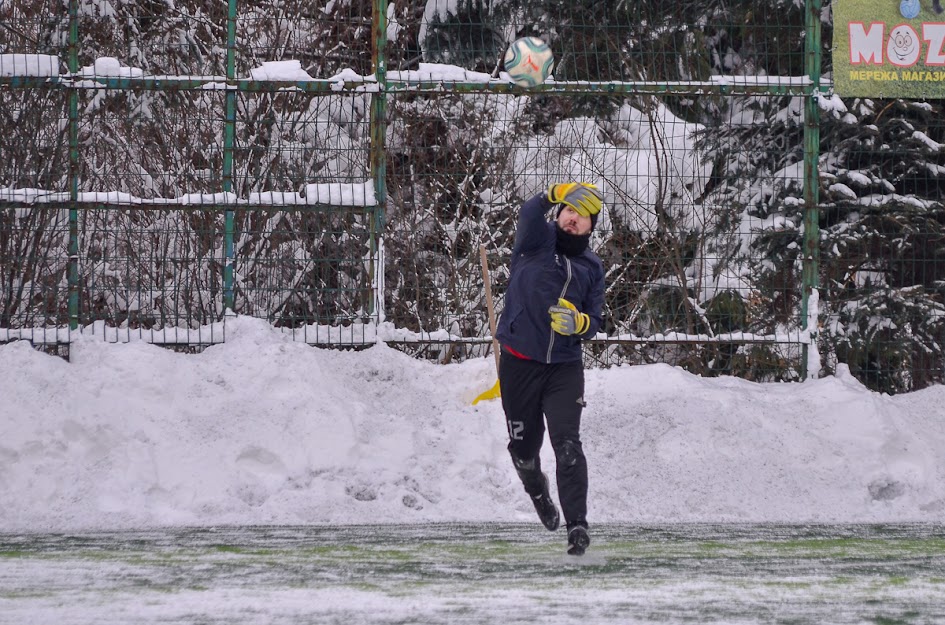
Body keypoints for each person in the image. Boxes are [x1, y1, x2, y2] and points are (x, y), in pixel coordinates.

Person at [495, 182, 605, 556]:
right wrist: (552, 192)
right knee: (524, 452)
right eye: (569, 211)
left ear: (591, 227)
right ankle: (538, 492)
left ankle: (577, 526)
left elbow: (596, 320)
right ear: (559, 214)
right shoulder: (536, 241)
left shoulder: (592, 267)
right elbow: (528, 212)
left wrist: (579, 324)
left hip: (563, 367)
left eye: (583, 216)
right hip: (519, 364)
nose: (573, 219)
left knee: (568, 445)